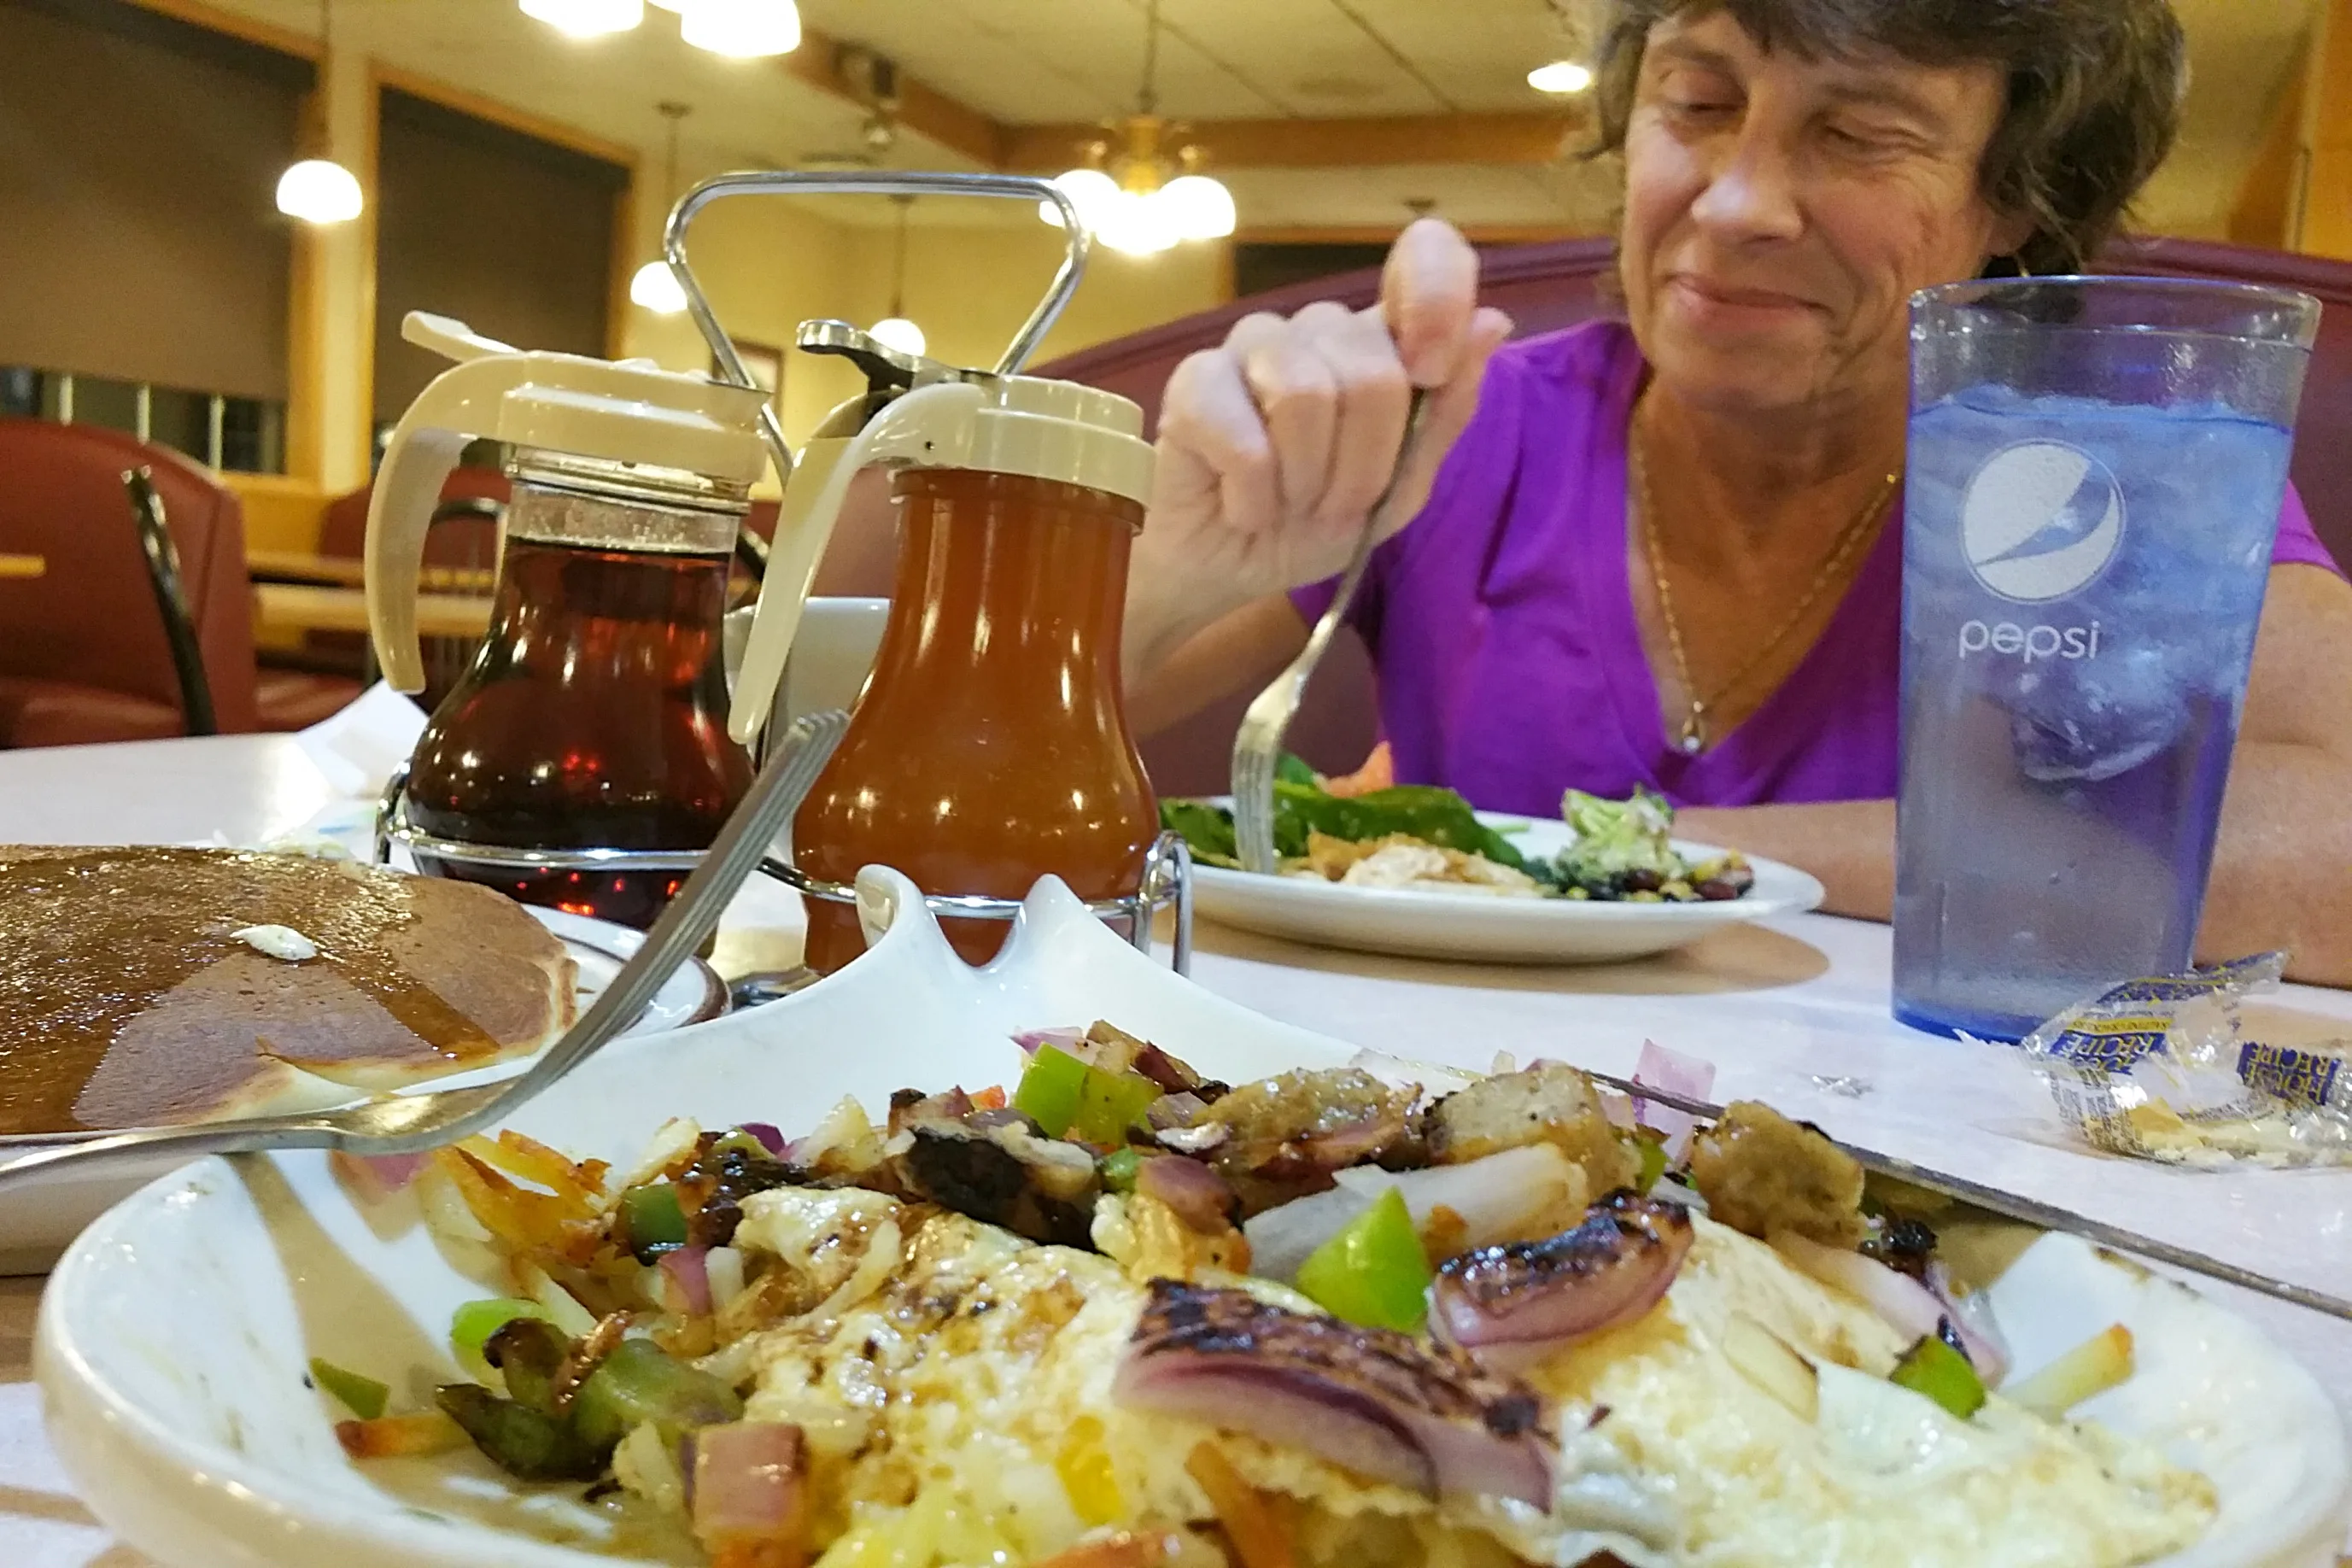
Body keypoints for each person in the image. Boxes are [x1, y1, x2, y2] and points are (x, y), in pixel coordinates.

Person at [1120, 0, 2352, 986]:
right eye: (1697, 102)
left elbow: (2337, 852)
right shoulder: (1463, 427)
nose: (1734, 201)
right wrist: (1185, 550)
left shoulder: (2098, 476)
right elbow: (984, 726)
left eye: (1860, 133)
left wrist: (1629, 866)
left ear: (2016, 200)